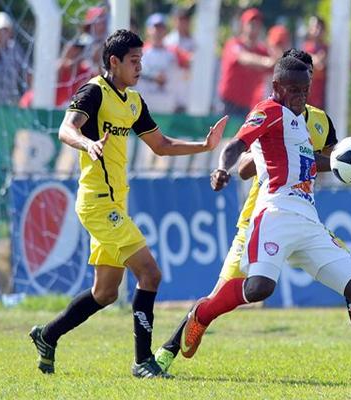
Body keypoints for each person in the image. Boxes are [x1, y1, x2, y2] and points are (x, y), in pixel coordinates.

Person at [179, 56, 351, 385]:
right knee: (259, 288)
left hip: (308, 221)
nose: (300, 97)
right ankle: (202, 313)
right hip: (275, 213)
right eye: (293, 90)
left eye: (305, 90)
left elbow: (315, 161)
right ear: (276, 87)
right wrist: (222, 168)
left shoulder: (299, 123)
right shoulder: (269, 111)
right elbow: (237, 144)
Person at [28, 29, 228, 379]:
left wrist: (204, 146)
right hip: (97, 203)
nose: (139, 66)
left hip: (116, 203)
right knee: (150, 274)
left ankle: (47, 336)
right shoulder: (94, 92)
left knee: (104, 293)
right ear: (113, 62)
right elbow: (65, 129)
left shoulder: (133, 100)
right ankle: (142, 362)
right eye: (133, 61)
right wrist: (86, 144)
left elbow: (161, 145)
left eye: (141, 60)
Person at [217, 8, 275, 119]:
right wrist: (266, 62)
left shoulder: (262, 50)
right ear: (243, 25)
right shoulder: (234, 44)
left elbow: (276, 65)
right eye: (251, 24)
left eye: (258, 25)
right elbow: (243, 58)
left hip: (247, 105)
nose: (255, 28)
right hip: (228, 103)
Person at [136, 13, 178, 113]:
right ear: (148, 30)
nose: (158, 31)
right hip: (145, 108)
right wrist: (154, 76)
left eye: (161, 28)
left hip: (166, 107)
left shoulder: (172, 54)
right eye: (155, 27)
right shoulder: (140, 52)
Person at [164, 7, 195, 112]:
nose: (183, 23)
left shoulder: (194, 41)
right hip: (171, 90)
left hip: (188, 90)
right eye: (180, 19)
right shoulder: (168, 41)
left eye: (185, 20)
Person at [302, 16, 328, 109]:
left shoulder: (327, 49)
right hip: (307, 98)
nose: (318, 30)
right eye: (315, 27)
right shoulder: (305, 47)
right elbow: (316, 63)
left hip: (323, 96)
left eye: (320, 27)